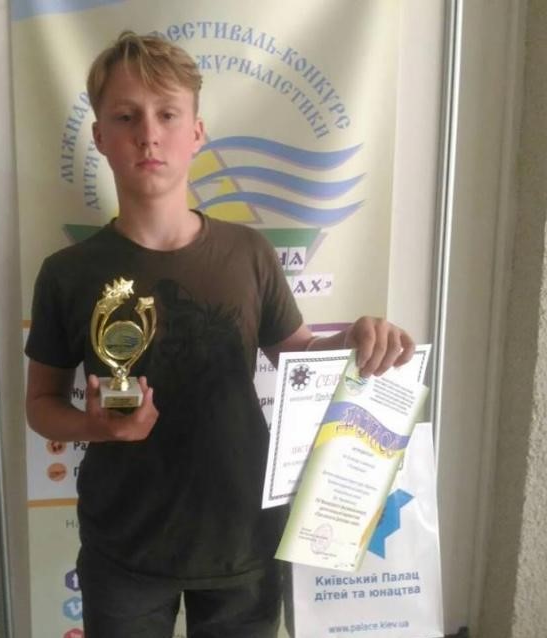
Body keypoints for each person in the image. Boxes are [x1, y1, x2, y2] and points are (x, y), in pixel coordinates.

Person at [25, 30, 415, 638]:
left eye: (167, 114)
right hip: (123, 548)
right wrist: (96, 426)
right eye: (126, 116)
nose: (148, 134)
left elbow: (300, 356)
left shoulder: (248, 252)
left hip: (244, 539)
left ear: (197, 132)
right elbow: (41, 405)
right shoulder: (67, 273)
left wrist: (357, 340)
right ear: (99, 136)